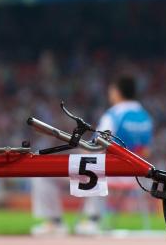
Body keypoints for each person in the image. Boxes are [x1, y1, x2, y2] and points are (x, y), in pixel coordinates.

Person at [31, 75, 153, 236]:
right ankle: (91, 218)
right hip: (136, 175)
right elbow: (146, 151)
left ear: (117, 92)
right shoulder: (145, 117)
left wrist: (76, 153)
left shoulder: (114, 115)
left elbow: (94, 147)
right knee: (96, 164)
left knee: (43, 171)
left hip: (109, 174)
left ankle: (61, 221)